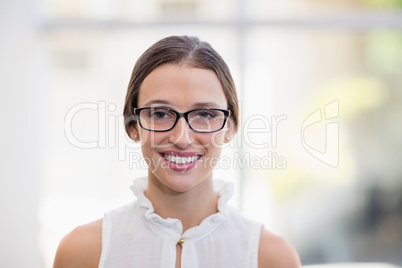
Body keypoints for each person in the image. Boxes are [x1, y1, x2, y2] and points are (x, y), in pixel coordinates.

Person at [53, 35, 301, 268]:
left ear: (230, 128)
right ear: (132, 126)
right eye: (160, 114)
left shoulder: (273, 257)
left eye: (204, 114)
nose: (182, 138)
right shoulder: (82, 252)